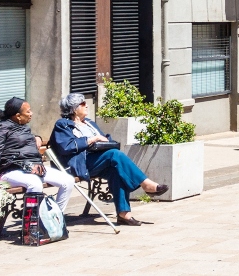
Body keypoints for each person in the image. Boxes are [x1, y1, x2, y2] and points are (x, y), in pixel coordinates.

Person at [49, 93, 168, 226]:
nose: (87, 105)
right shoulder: (63, 125)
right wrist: (93, 139)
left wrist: (107, 141)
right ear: (74, 108)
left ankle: (124, 214)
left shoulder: (89, 123)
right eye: (83, 104)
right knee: (115, 155)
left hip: (95, 160)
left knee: (116, 170)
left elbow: (103, 139)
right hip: (77, 164)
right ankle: (146, 184)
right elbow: (66, 146)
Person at [0, 97, 76, 214]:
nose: (31, 114)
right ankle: (31, 224)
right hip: (10, 171)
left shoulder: (23, 126)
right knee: (34, 183)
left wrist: (37, 137)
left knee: (67, 181)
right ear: (17, 116)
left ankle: (54, 218)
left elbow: (22, 140)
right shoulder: (0, 129)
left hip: (33, 168)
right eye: (28, 111)